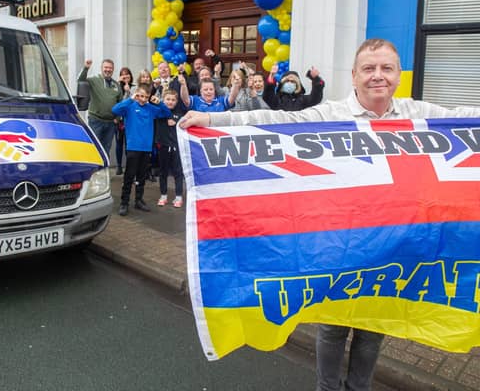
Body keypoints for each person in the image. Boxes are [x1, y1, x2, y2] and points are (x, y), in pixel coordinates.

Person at [179, 38, 480, 391]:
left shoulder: (418, 116)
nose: (377, 76)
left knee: (373, 330)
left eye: (386, 68)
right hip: (341, 247)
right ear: (354, 76)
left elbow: (467, 119)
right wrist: (214, 118)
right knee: (333, 327)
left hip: (392, 251)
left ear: (399, 75)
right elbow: (274, 120)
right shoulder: (331, 116)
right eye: (369, 69)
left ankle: (359, 388)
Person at [112, 84, 171, 216]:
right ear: (137, 94)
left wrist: (160, 103)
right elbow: (115, 109)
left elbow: (167, 113)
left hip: (146, 148)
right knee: (129, 176)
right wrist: (130, 99)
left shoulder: (151, 109)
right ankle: (124, 202)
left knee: (142, 176)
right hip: (133, 147)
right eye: (141, 96)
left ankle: (138, 200)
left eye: (146, 97)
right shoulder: (129, 107)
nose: (143, 99)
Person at [78, 58, 122, 157]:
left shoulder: (116, 85)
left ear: (113, 70)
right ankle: (94, 171)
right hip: (96, 121)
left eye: (110, 68)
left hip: (110, 123)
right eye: (106, 67)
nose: (108, 70)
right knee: (95, 148)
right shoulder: (94, 80)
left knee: (106, 149)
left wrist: (117, 118)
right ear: (101, 68)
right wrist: (86, 68)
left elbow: (120, 103)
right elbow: (80, 80)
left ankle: (103, 171)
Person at [154, 88, 185, 208]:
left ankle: (178, 196)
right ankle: (163, 195)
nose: (170, 102)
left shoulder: (179, 114)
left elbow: (183, 125)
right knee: (163, 172)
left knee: (178, 172)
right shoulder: (160, 112)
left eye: (173, 100)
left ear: (176, 101)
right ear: (163, 100)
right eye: (168, 99)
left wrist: (176, 122)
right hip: (163, 146)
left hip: (176, 147)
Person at [115, 67, 134, 175]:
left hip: (130, 120)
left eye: (127, 74)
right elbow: (118, 103)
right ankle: (118, 165)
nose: (125, 76)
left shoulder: (134, 87)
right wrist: (119, 84)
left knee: (128, 144)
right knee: (119, 142)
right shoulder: (117, 87)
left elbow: (134, 101)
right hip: (119, 120)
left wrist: (129, 91)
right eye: (123, 74)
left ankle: (129, 165)